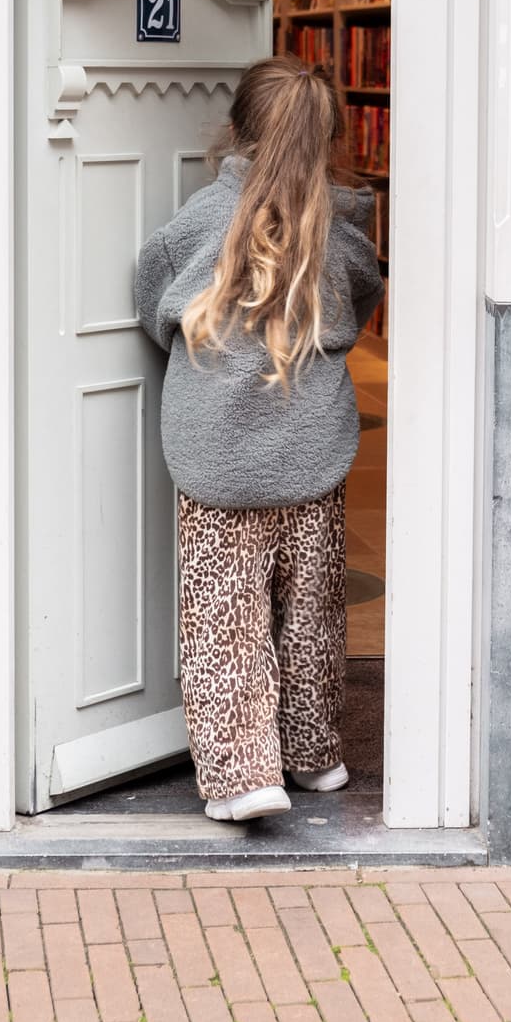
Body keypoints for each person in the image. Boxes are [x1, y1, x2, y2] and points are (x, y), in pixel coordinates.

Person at [135, 56, 385, 823]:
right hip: (311, 454)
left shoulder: (200, 225)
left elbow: (151, 293)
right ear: (332, 138)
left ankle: (244, 774)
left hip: (216, 457)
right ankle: (314, 755)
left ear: (235, 133)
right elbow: (366, 301)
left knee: (225, 613)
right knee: (311, 609)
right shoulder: (343, 234)